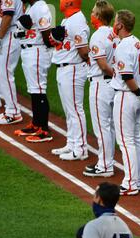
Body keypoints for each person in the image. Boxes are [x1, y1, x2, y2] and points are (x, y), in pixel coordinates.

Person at [110, 9, 140, 196]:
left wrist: (138, 92)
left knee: (126, 142)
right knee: (134, 139)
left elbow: (126, 76)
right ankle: (138, 180)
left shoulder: (124, 46)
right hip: (137, 97)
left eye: (116, 22)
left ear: (120, 25)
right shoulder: (138, 43)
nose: (113, 24)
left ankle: (131, 183)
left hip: (127, 95)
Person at [50, 0, 90, 160]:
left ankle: (80, 149)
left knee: (75, 110)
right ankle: (72, 142)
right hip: (64, 68)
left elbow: (84, 51)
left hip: (73, 69)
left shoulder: (77, 21)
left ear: (69, 3)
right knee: (69, 110)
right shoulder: (68, 19)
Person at [83, 0, 117, 177]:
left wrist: (115, 76)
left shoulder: (97, 36)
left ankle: (104, 165)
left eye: (93, 12)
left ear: (98, 16)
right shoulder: (114, 34)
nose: (91, 14)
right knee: (110, 126)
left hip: (100, 85)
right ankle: (108, 161)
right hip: (113, 87)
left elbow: (103, 65)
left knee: (102, 126)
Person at [13, 0, 53, 143]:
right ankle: (36, 124)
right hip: (29, 51)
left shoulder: (41, 7)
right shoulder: (32, 7)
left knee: (39, 90)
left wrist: (47, 47)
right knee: (34, 90)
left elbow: (46, 34)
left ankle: (44, 129)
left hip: (37, 51)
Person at [0, 0, 23, 125]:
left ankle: (13, 112)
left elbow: (8, 15)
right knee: (2, 72)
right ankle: (10, 109)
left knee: (4, 72)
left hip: (10, 34)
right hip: (10, 33)